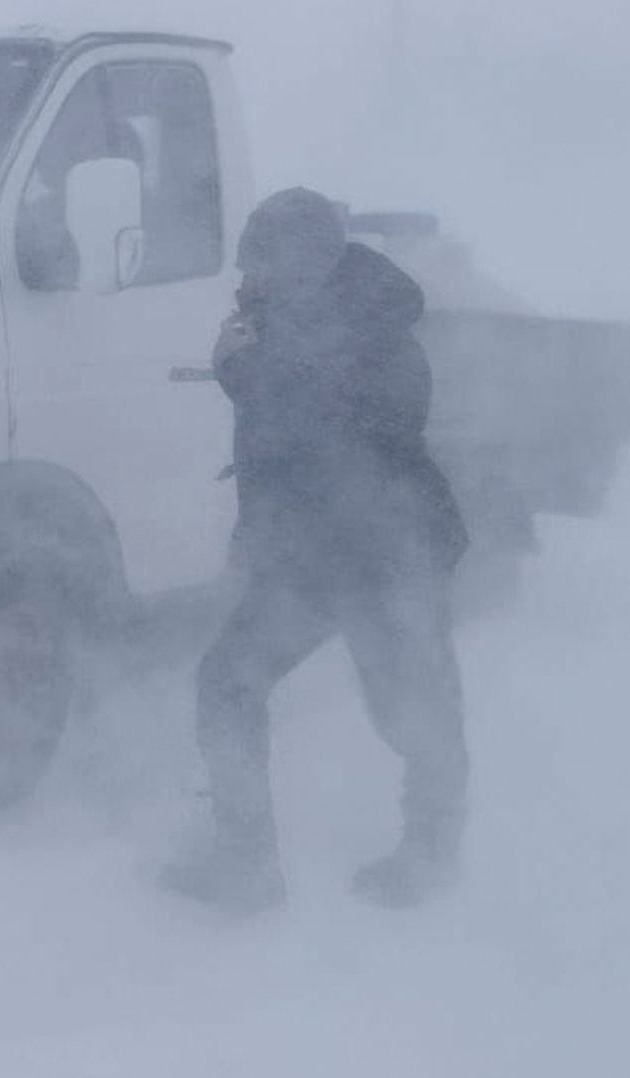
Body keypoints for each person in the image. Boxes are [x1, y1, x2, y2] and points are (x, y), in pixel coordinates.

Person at [163, 188, 471, 913]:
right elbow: (281, 445)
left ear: (306, 263)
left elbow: (353, 431)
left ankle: (431, 852)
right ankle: (245, 863)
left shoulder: (380, 327)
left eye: (261, 265)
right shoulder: (283, 324)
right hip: (310, 556)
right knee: (227, 683)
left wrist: (244, 372)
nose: (249, 279)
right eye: (248, 265)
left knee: (412, 709)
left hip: (389, 554)